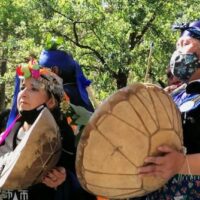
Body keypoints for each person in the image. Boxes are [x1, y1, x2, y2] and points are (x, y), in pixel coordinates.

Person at [0, 62, 91, 200]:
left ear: (51, 102)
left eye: (34, 89)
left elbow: (84, 185)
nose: (23, 93)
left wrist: (65, 180)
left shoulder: (65, 142)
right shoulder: (4, 126)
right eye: (23, 87)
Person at [136, 20, 200, 199]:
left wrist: (182, 163)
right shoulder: (176, 94)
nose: (177, 53)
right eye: (177, 46)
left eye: (186, 44)